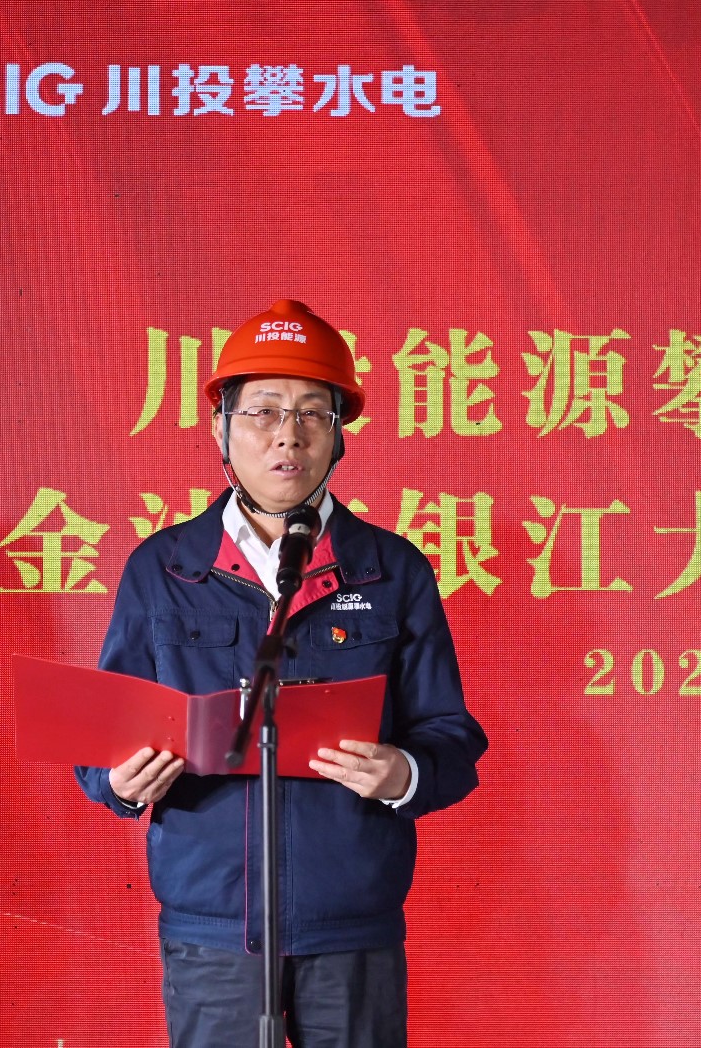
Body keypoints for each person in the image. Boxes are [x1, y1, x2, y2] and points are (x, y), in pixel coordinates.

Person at [76, 300, 486, 1048]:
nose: (288, 434)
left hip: (350, 926)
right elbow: (102, 742)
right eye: (263, 411)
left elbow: (451, 737)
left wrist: (403, 773)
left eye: (312, 414)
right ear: (220, 427)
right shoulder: (163, 569)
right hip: (213, 928)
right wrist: (119, 782)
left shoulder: (391, 570)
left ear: (339, 435)